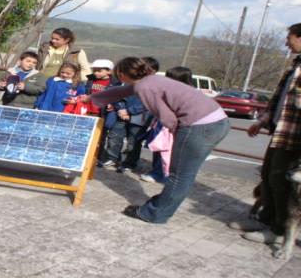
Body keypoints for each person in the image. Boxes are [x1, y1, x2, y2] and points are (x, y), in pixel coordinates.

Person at [89, 57, 229, 224]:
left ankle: (155, 213)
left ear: (120, 73)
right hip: (218, 121)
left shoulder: (144, 87)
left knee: (179, 175)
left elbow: (167, 117)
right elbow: (121, 92)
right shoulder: (153, 80)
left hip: (199, 126)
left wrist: (175, 140)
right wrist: (90, 98)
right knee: (183, 174)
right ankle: (158, 207)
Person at [232, 23, 301, 244]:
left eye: (289, 38)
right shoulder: (295, 66)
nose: (286, 42)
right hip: (281, 133)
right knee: (269, 177)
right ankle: (266, 218)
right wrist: (262, 120)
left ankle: (279, 231)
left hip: (295, 139)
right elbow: (279, 99)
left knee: (280, 181)